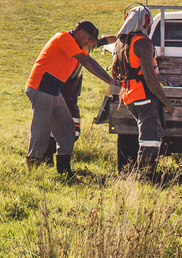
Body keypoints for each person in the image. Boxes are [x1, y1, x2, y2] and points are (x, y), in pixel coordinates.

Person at [25, 20, 115, 175]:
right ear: (81, 32)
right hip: (41, 87)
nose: (89, 43)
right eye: (88, 39)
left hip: (54, 90)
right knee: (41, 131)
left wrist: (120, 37)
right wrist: (111, 81)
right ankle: (33, 170)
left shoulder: (78, 45)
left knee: (68, 129)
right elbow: (87, 61)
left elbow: (94, 53)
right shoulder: (64, 38)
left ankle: (64, 171)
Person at [113, 5, 173, 173]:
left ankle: (138, 176)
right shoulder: (143, 43)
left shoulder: (120, 42)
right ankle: (145, 179)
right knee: (150, 142)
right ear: (146, 22)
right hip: (145, 97)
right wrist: (166, 103)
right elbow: (149, 77)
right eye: (150, 24)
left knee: (145, 139)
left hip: (129, 97)